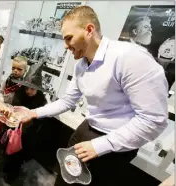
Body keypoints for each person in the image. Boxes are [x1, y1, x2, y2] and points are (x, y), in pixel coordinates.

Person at [20, 6, 168, 186]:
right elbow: (68, 100)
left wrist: (100, 145)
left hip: (114, 144)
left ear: (89, 30)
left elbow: (153, 120)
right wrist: (33, 112)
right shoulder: (81, 65)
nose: (66, 46)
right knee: (65, 179)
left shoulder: (130, 58)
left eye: (69, 38)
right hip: (86, 129)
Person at [2, 62, 48, 184]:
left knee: (19, 154)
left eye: (32, 89)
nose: (28, 91)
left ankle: (13, 174)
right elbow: (13, 107)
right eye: (27, 87)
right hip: (14, 128)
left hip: (28, 133)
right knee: (10, 150)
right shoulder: (20, 92)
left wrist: (31, 120)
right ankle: (7, 168)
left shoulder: (41, 100)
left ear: (38, 88)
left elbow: (41, 118)